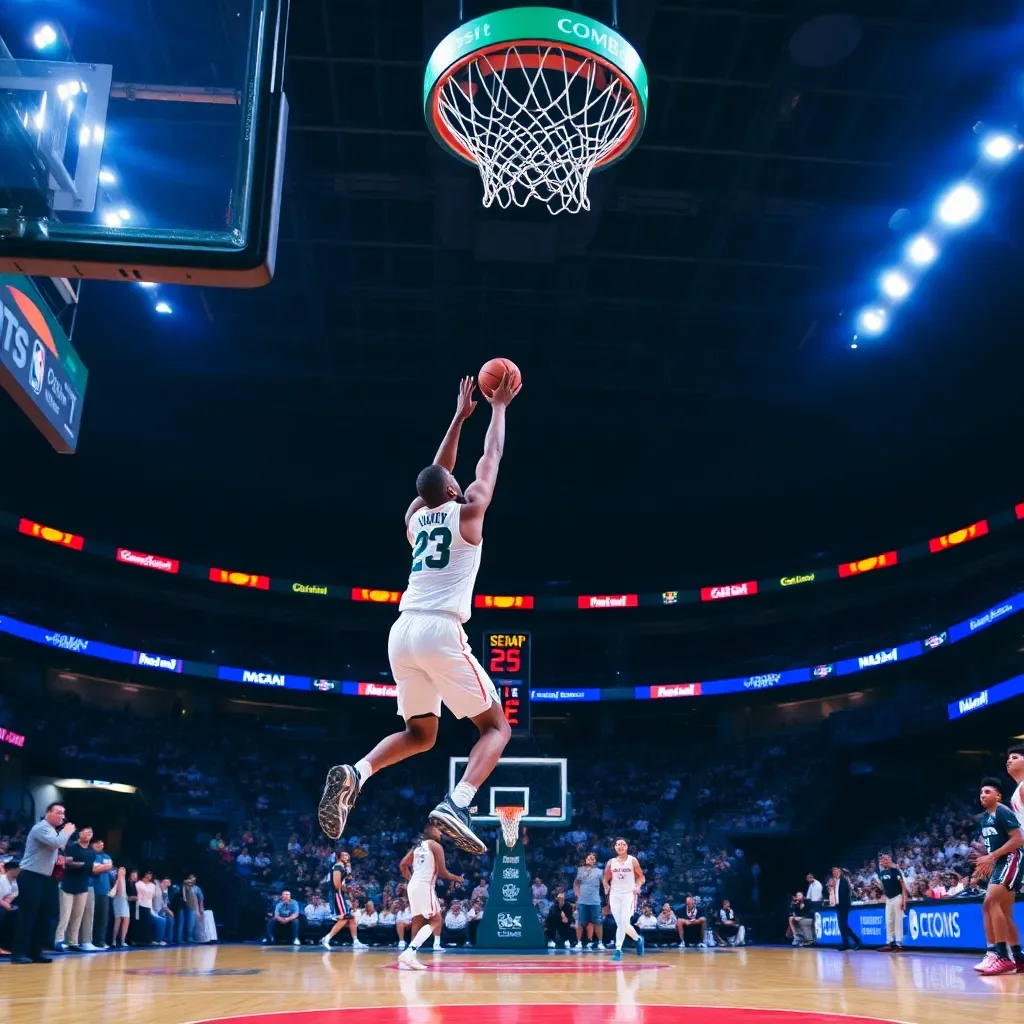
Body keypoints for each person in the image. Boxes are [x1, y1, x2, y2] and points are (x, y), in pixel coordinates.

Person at [319, 374, 521, 855]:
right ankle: (459, 802)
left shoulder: (414, 517)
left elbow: (434, 471)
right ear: (454, 489)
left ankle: (358, 771)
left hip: (402, 631)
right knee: (497, 727)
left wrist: (457, 417)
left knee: (421, 733)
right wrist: (497, 408)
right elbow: (489, 458)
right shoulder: (468, 511)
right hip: (439, 629)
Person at [11, 802, 75, 965]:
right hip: (31, 875)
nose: (62, 816)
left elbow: (55, 846)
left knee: (42, 916)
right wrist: (66, 831)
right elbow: (57, 843)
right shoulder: (41, 827)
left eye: (63, 812)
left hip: (44, 877)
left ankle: (35, 951)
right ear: (48, 813)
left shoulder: (52, 830)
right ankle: (19, 952)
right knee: (27, 915)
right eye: (58, 812)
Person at [973, 776, 1024, 975]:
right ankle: (1018, 957)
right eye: (981, 793)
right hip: (1001, 862)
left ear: (998, 796)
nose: (983, 796)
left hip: (1012, 859)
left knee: (990, 903)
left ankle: (999, 956)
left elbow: (1018, 839)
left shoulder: (1002, 812)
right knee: (1004, 911)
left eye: (987, 792)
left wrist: (992, 856)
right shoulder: (985, 818)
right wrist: (987, 860)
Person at [397, 823, 464, 969]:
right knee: (436, 920)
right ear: (431, 832)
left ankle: (410, 959)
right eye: (438, 830)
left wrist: (412, 880)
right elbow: (443, 873)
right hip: (425, 885)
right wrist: (457, 878)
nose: (440, 833)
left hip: (413, 885)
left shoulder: (417, 846)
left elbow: (402, 864)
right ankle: (409, 952)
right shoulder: (435, 846)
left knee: (418, 919)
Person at [603, 837, 645, 961]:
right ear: (615, 847)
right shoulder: (611, 862)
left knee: (622, 922)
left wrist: (638, 886)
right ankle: (638, 939)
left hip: (629, 894)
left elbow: (641, 877)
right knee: (622, 924)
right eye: (618, 844)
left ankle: (617, 950)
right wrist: (606, 885)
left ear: (626, 847)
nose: (620, 846)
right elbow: (605, 878)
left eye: (623, 844)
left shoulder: (633, 861)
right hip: (615, 894)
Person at [55, 826, 96, 952]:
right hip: (68, 884)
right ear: (80, 834)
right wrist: (83, 865)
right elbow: (67, 864)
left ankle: (73, 941)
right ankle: (58, 940)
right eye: (86, 831)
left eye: (91, 832)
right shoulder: (71, 847)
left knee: (77, 915)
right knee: (65, 914)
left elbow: (89, 868)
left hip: (83, 885)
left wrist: (81, 865)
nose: (89, 834)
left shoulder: (91, 851)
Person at [321, 851, 365, 950]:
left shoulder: (343, 867)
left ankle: (355, 941)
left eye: (348, 855)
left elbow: (347, 881)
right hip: (336, 894)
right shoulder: (337, 867)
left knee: (352, 917)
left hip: (340, 894)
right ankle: (327, 938)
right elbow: (337, 885)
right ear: (339, 857)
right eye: (345, 855)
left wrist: (349, 871)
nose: (347, 856)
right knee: (345, 917)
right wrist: (348, 889)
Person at [875, 853, 908, 952]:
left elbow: (902, 885)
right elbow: (884, 886)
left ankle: (899, 944)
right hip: (888, 899)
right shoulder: (881, 873)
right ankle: (889, 942)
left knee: (898, 920)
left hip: (897, 896)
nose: (884, 861)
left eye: (886, 859)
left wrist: (904, 899)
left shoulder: (895, 871)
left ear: (889, 860)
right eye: (882, 860)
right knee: (889, 920)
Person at [574, 852, 604, 951]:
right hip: (582, 901)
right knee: (580, 922)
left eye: (593, 859)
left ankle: (600, 943)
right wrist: (577, 896)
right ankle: (578, 943)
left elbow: (605, 883)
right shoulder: (580, 870)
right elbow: (576, 883)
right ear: (586, 860)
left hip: (595, 901)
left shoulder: (599, 871)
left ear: (595, 861)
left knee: (597, 922)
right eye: (589, 858)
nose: (590, 860)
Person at [90, 838, 115, 948]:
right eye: (97, 843)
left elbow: (110, 868)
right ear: (92, 844)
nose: (100, 845)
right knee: (90, 917)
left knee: (103, 918)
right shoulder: (90, 855)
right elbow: (94, 869)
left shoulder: (106, 856)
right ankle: (88, 940)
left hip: (104, 890)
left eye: (102, 843)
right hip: (92, 889)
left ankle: (100, 941)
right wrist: (104, 867)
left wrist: (101, 867)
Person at [829, 867, 860, 951]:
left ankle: (856, 940)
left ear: (839, 871)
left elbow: (845, 894)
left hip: (844, 906)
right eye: (833, 871)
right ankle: (845, 943)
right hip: (838, 906)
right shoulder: (835, 882)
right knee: (841, 926)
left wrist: (843, 904)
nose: (834, 872)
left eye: (835, 870)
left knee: (844, 925)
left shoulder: (844, 880)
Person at [110, 867, 130, 948]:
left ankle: (122, 940)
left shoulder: (125, 880)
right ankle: (113, 940)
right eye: (122, 869)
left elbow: (124, 892)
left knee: (126, 920)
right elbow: (112, 893)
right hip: (118, 900)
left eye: (125, 869)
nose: (124, 871)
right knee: (118, 920)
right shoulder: (115, 879)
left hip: (124, 901)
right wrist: (118, 879)